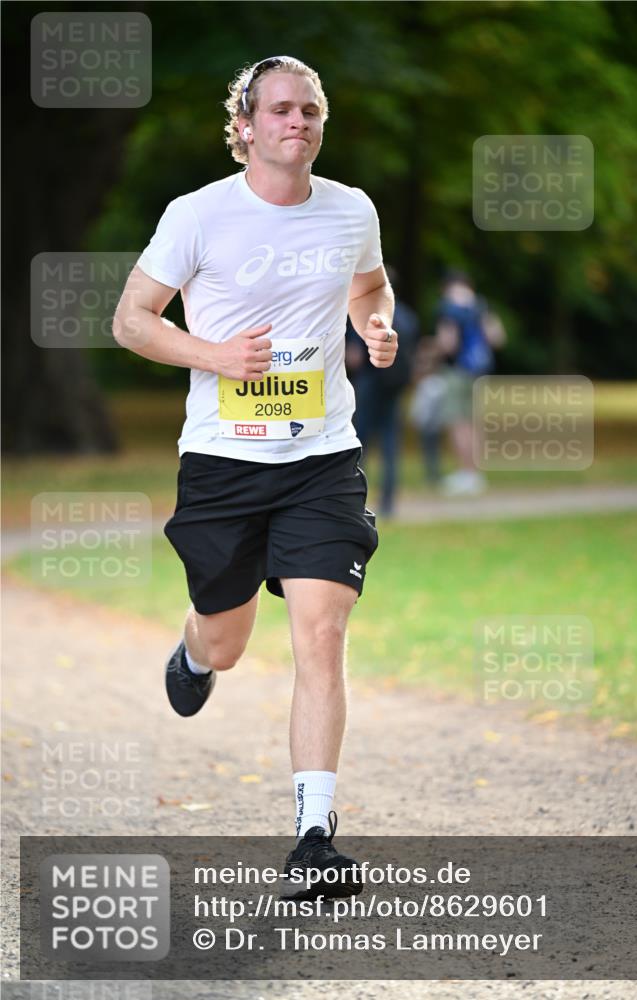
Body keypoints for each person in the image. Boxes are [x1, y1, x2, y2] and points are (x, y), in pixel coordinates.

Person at [113, 56, 398, 898]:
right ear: (243, 126)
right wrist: (213, 356)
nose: (297, 122)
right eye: (278, 110)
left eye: (310, 109)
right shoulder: (196, 215)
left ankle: (314, 837)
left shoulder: (350, 209)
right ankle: (197, 651)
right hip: (223, 463)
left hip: (321, 458)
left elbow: (370, 285)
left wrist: (375, 326)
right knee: (230, 638)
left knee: (321, 630)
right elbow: (131, 320)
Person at [345, 265, 419, 515]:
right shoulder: (408, 317)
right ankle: (388, 502)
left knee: (359, 442)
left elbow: (354, 357)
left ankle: (355, 498)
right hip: (395, 386)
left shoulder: (366, 316)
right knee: (390, 442)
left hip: (369, 382)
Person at [434, 270, 505, 495]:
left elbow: (448, 344)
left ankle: (466, 474)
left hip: (457, 372)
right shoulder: (481, 305)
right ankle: (475, 473)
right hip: (480, 372)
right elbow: (498, 338)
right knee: (475, 423)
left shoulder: (449, 308)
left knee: (458, 422)